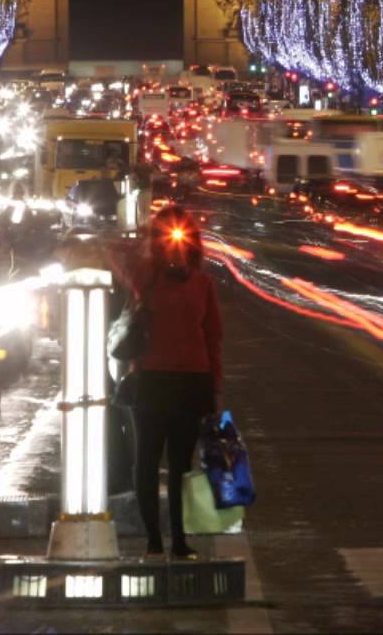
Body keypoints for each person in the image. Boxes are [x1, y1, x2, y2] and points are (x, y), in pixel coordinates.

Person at [116, 204, 223, 560]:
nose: (176, 242)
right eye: (167, 235)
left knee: (181, 465)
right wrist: (147, 243)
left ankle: (178, 539)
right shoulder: (146, 277)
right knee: (146, 461)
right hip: (151, 379)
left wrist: (214, 385)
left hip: (192, 382)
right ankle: (153, 540)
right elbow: (119, 257)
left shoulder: (203, 283)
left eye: (182, 234)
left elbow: (213, 336)